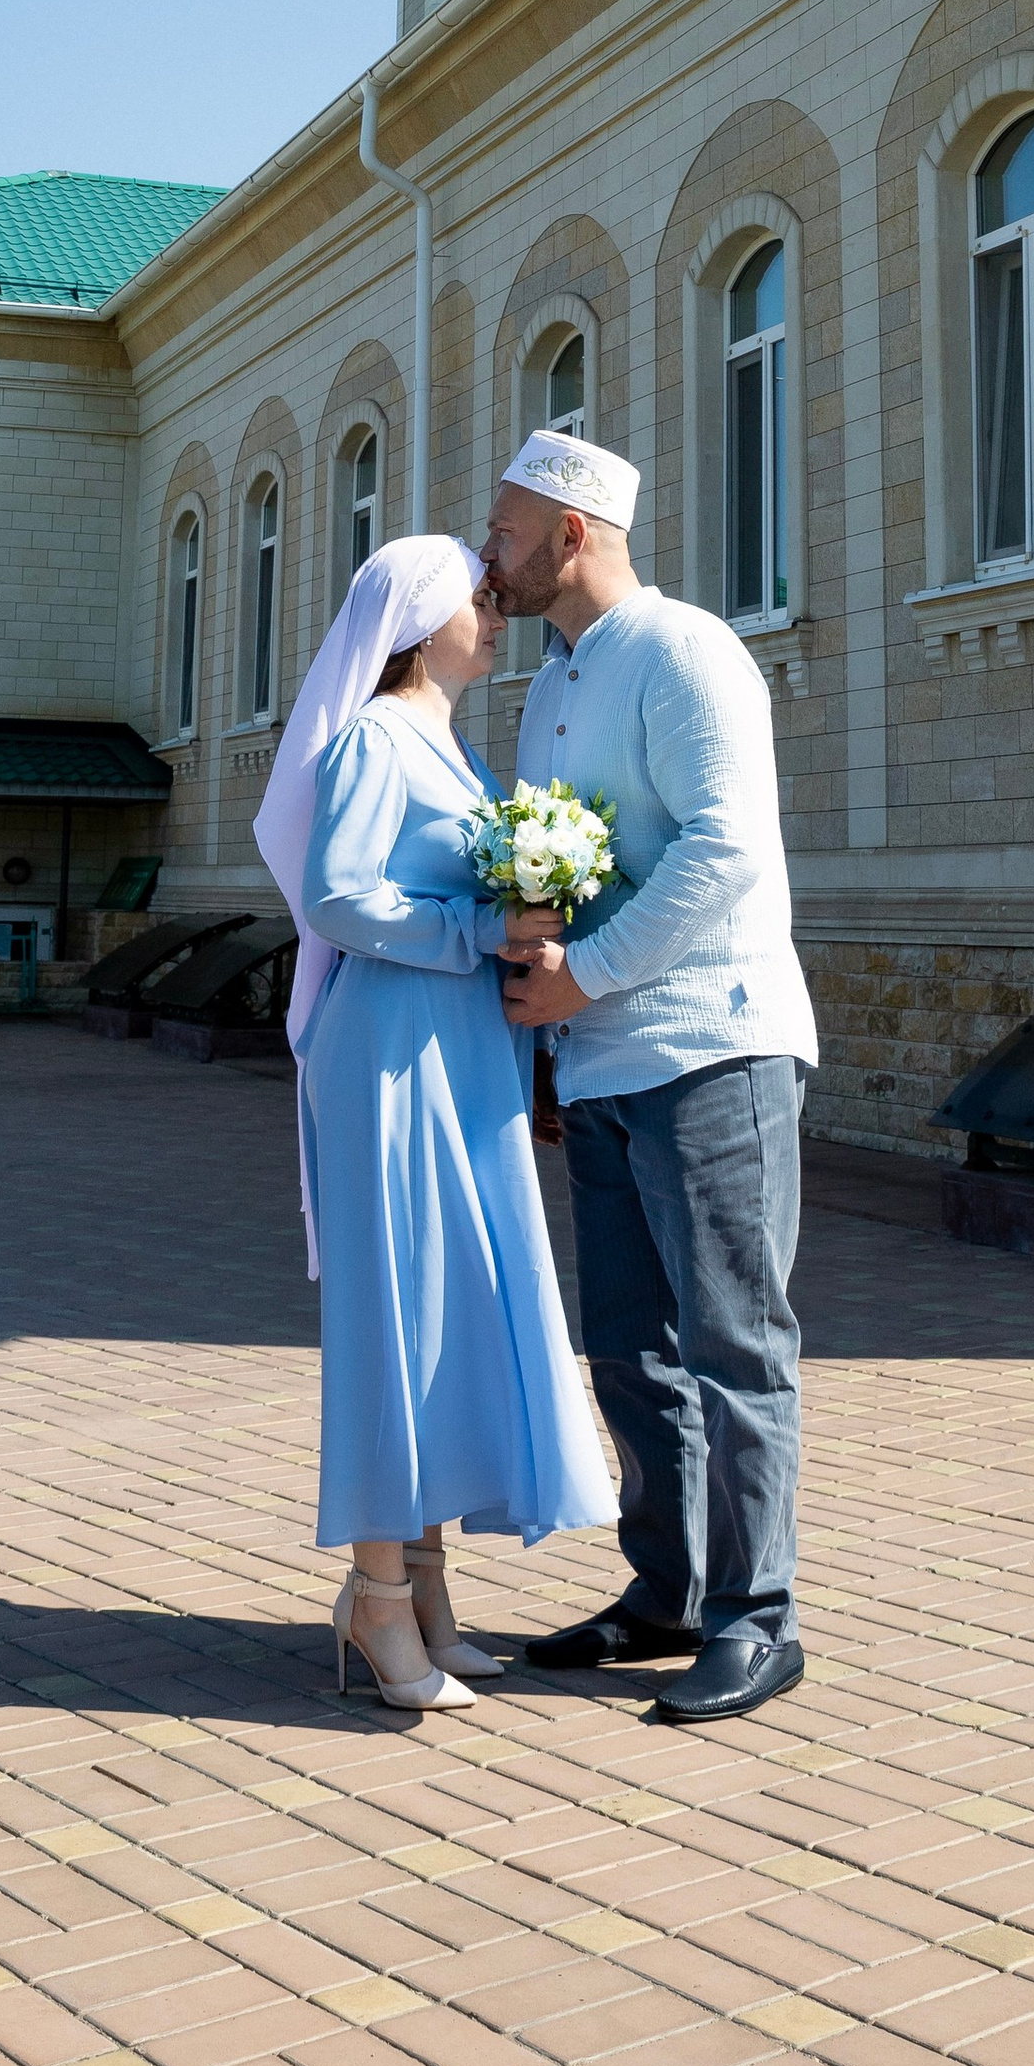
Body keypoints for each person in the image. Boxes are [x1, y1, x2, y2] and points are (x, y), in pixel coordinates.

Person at [483, 431, 818, 1726]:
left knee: (735, 1344)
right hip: (603, 1058)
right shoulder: (548, 684)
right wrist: (548, 1016)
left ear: (572, 533)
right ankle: (667, 1592)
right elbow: (556, 865)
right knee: (627, 1348)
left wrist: (586, 975)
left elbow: (725, 847)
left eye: (508, 528)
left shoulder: (685, 650)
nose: (490, 552)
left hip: (710, 1047)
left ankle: (758, 1618)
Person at [254, 532, 616, 1712]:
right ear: (418, 621)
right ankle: (375, 1601)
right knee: (396, 1312)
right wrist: (480, 930)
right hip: (391, 1052)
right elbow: (339, 896)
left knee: (447, 1306)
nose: (497, 616)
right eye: (479, 601)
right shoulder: (374, 734)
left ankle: (423, 1586)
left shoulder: (450, 745)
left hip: (458, 1048)